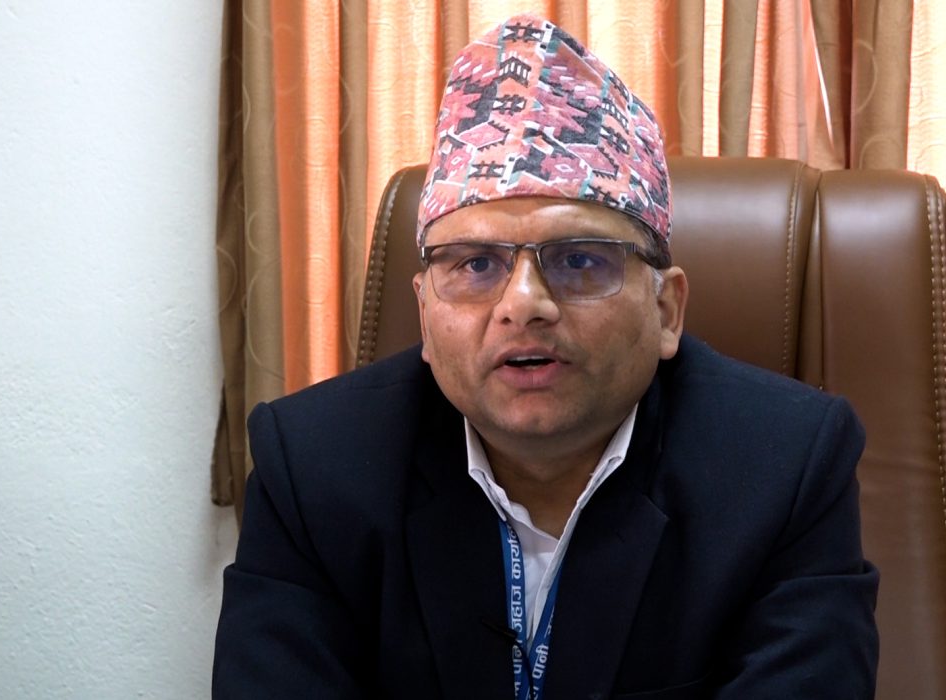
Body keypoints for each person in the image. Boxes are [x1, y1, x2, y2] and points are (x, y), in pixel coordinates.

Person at [213, 13, 878, 699]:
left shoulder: (787, 466)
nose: (523, 304)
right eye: (476, 264)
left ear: (666, 311)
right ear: (424, 313)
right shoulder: (313, 466)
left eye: (579, 260)